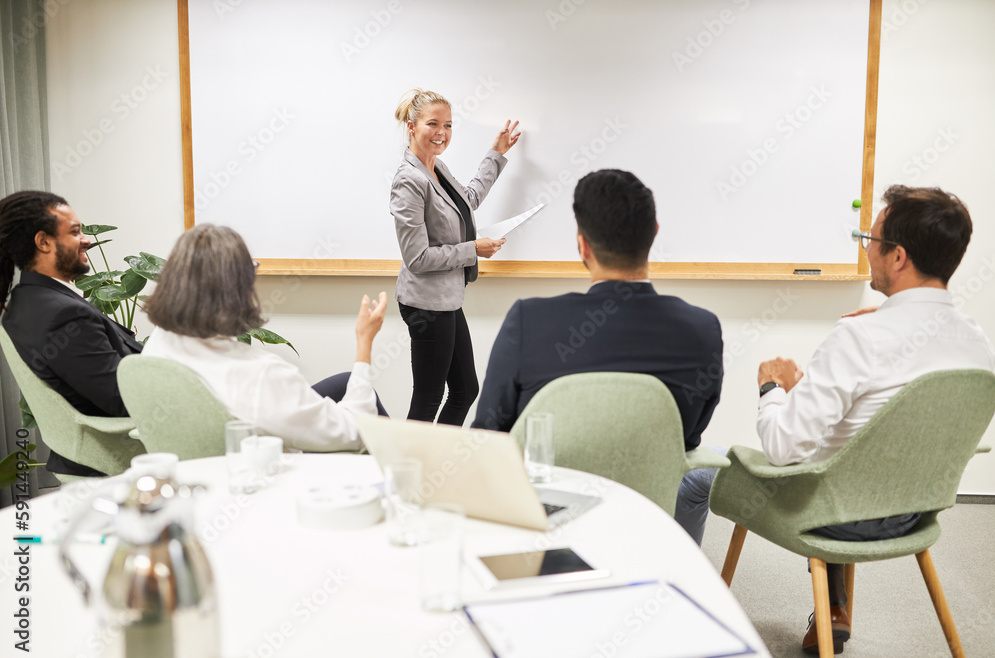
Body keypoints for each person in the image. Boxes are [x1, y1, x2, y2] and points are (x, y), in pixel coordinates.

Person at [689, 185, 995, 655]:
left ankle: (684, 605)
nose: (865, 249)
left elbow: (781, 448)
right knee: (839, 447)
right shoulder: (976, 344)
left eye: (868, 239)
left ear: (898, 258)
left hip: (833, 519)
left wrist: (771, 386)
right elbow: (890, 417)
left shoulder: (859, 335)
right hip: (916, 513)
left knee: (701, 474)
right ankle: (833, 609)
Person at [471, 169, 724, 471]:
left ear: (583, 246)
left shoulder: (529, 321)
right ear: (654, 232)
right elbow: (688, 438)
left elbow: (488, 435)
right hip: (649, 510)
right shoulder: (702, 330)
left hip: (548, 509)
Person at [142, 224, 388, 452]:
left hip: (204, 458)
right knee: (367, 401)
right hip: (273, 470)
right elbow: (354, 430)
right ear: (239, 288)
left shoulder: (159, 342)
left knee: (346, 381)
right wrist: (364, 342)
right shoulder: (260, 375)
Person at [390, 88, 520, 425]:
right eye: (432, 123)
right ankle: (409, 470)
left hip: (446, 299)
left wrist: (496, 154)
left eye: (448, 125)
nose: (441, 133)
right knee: (429, 397)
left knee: (465, 390)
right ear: (411, 126)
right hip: (425, 304)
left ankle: (435, 466)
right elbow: (417, 258)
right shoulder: (409, 180)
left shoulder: (437, 169)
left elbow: (468, 200)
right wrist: (474, 249)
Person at [0, 191, 143, 477]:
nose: (87, 239)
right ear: (43, 242)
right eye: (75, 232)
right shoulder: (64, 316)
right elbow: (123, 400)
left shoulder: (24, 300)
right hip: (114, 457)